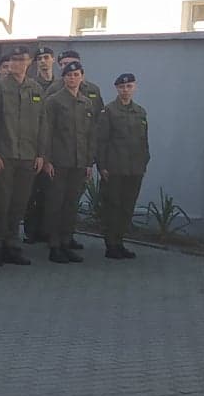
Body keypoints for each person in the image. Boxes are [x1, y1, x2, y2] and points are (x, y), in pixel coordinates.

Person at [0, 48, 46, 267]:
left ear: (29, 62)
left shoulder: (35, 89)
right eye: (14, 60)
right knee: (1, 202)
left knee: (19, 203)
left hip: (27, 155)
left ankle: (12, 244)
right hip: (5, 155)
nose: (18, 64)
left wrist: (40, 154)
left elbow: (42, 123)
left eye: (22, 60)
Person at [40, 61, 98, 263]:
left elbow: (90, 134)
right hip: (59, 161)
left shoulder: (86, 103)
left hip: (79, 162)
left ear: (82, 77)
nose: (72, 78)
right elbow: (46, 132)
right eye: (69, 75)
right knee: (56, 204)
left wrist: (89, 162)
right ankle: (54, 245)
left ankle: (66, 242)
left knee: (71, 204)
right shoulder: (54, 101)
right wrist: (47, 160)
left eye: (76, 75)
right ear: (63, 78)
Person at [95, 73, 150, 261]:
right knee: (112, 207)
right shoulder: (109, 111)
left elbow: (144, 141)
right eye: (121, 87)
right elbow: (101, 140)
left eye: (129, 86)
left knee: (127, 207)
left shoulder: (140, 112)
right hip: (115, 167)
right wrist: (102, 166)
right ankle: (111, 244)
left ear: (134, 87)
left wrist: (144, 162)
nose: (125, 90)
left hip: (134, 169)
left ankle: (120, 242)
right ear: (117, 89)